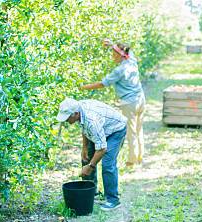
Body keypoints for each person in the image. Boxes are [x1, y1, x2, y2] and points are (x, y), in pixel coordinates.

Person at [81, 39, 145, 167]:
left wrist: (83, 87)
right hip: (140, 99)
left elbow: (102, 84)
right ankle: (139, 157)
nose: (112, 56)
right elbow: (128, 51)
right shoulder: (132, 61)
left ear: (119, 54)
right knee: (139, 129)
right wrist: (112, 45)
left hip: (129, 103)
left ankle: (132, 161)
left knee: (131, 131)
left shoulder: (119, 71)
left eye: (113, 53)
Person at [56, 97, 127, 211]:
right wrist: (84, 147)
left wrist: (90, 167)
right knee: (86, 157)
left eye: (67, 117)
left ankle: (113, 199)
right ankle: (91, 192)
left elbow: (102, 148)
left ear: (75, 114)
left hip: (115, 130)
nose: (66, 120)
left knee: (108, 164)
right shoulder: (79, 110)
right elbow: (85, 128)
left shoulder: (91, 120)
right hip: (101, 130)